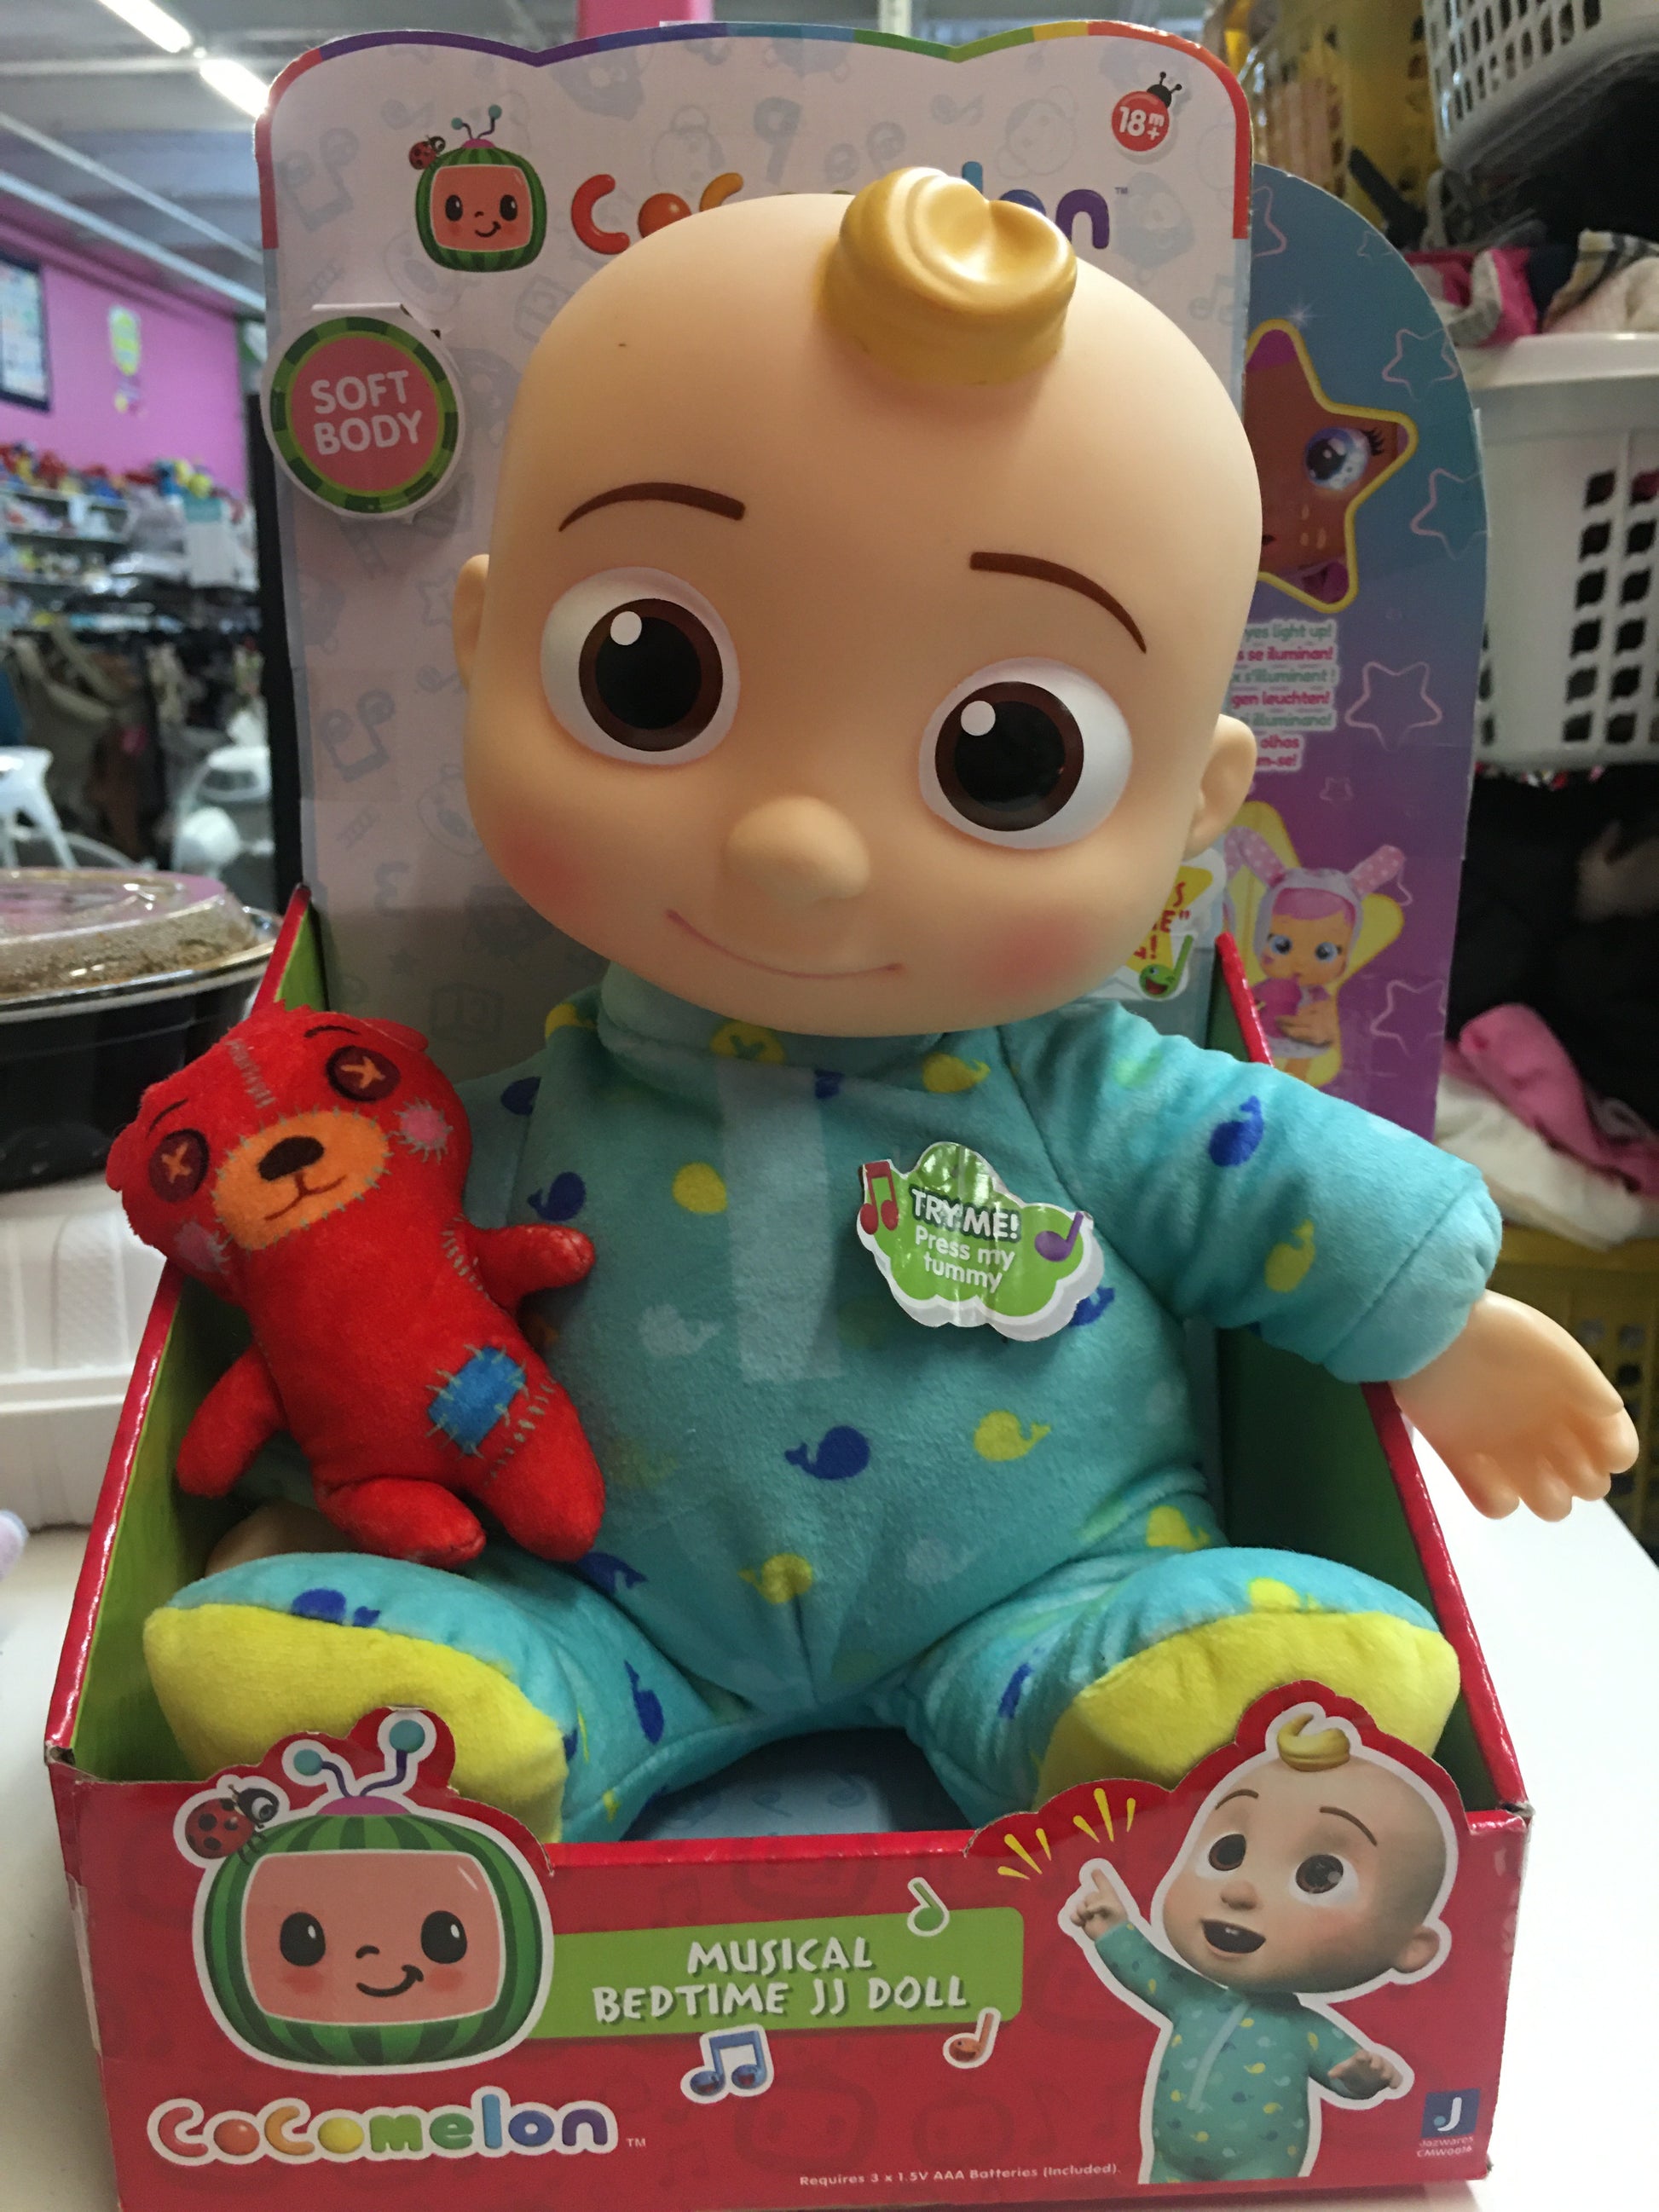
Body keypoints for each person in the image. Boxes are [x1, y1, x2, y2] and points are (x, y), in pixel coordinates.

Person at [144, 170, 1633, 1843]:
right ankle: (475, 1709)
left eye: (1008, 758)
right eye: (649, 675)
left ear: (1195, 806)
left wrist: (1436, 1324)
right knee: (451, 1657)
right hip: (602, 1595)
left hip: (1036, 1583)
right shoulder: (517, 1107)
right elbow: (379, 1291)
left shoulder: (1084, 1089)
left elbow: (1257, 1167)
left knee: (1176, 1662)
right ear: (486, 642)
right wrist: (307, 1495)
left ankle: (1127, 1697)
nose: (797, 844)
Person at [1063, 1705, 1453, 2185]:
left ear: (1411, 1947)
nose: (1240, 1891)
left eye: (1320, 1876)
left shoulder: (1305, 2030)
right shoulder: (1192, 1999)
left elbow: (1346, 2073)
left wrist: (1363, 2075)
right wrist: (1115, 1928)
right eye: (1228, 1853)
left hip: (1261, 2169)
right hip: (1170, 2161)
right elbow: (1147, 1969)